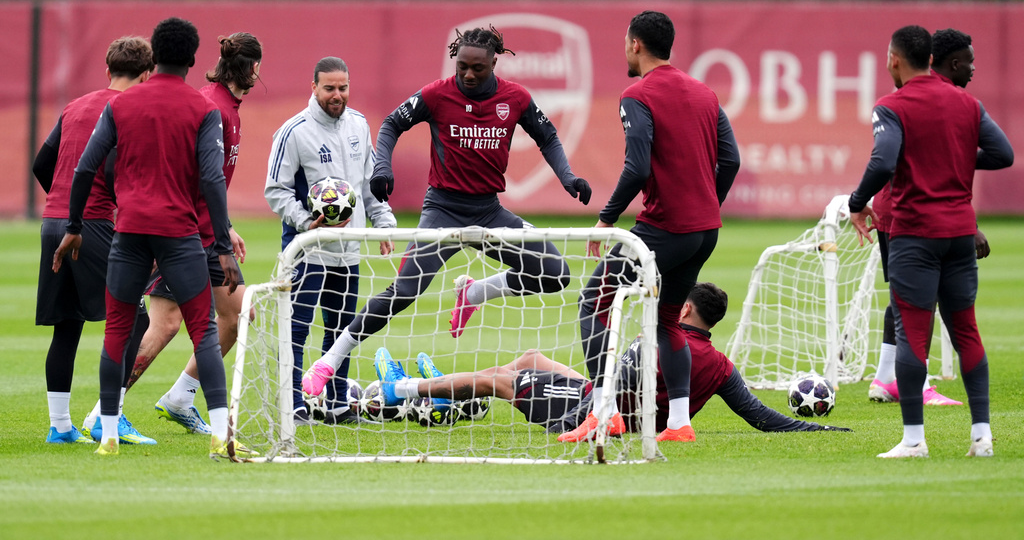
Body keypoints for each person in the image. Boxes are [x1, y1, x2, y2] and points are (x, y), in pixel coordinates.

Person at [301, 25, 592, 398]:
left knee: (554, 273)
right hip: (443, 212)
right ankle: (329, 361)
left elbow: (547, 135)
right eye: (462, 67)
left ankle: (476, 293)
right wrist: (382, 168)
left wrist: (567, 177)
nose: (468, 75)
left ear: (494, 63)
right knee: (405, 291)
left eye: (478, 68)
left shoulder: (515, 98)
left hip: (488, 212)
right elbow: (392, 123)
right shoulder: (438, 94)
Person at [53, 17, 247, 459]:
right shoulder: (202, 109)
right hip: (179, 236)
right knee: (203, 331)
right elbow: (213, 179)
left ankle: (106, 437)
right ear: (194, 59)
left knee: (118, 330)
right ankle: (221, 435)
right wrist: (220, 245)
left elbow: (87, 168)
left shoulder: (121, 104)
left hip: (129, 233)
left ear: (154, 57)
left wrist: (75, 227)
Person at [558, 11, 740, 444]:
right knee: (667, 321)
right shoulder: (705, 93)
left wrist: (607, 218)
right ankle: (679, 423)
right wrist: (708, 203)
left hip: (663, 231)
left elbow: (637, 166)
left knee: (593, 304)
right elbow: (730, 160)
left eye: (625, 42)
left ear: (635, 44)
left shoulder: (637, 94)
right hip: (704, 231)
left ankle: (605, 413)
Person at [375, 283, 850, 435]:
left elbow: (619, 378)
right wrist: (819, 428)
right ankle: (442, 396)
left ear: (684, 309)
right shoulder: (721, 365)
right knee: (531, 357)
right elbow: (760, 416)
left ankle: (401, 391)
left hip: (592, 414)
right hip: (602, 399)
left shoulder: (661, 341)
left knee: (501, 379)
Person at [848, 25, 1013, 458]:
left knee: (913, 335)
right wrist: (955, 155)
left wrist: (856, 201)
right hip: (960, 233)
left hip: (915, 235)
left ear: (895, 59)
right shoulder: (967, 104)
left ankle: (914, 440)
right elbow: (1004, 154)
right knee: (967, 331)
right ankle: (982, 436)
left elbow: (884, 159)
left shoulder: (892, 105)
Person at [33, 36, 155, 445]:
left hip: (54, 224)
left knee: (67, 326)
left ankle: (60, 426)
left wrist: (63, 204)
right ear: (147, 75)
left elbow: (41, 163)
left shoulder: (74, 105)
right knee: (135, 316)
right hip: (93, 226)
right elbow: (116, 171)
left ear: (107, 70)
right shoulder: (128, 109)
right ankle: (111, 417)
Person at [265, 56, 397, 424]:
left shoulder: (358, 124)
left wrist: (383, 223)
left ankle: (338, 403)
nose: (337, 95)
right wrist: (307, 222)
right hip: (307, 249)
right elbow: (276, 190)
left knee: (342, 327)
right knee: (299, 328)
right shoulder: (294, 131)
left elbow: (370, 185)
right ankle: (292, 403)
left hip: (349, 249)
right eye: (329, 88)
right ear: (314, 87)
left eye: (342, 87)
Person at [866, 28, 987, 407]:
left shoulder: (931, 99)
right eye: (968, 61)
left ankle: (886, 378)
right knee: (918, 301)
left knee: (908, 299)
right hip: (906, 212)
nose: (972, 69)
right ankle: (912, 386)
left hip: (905, 210)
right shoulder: (935, 101)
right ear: (949, 63)